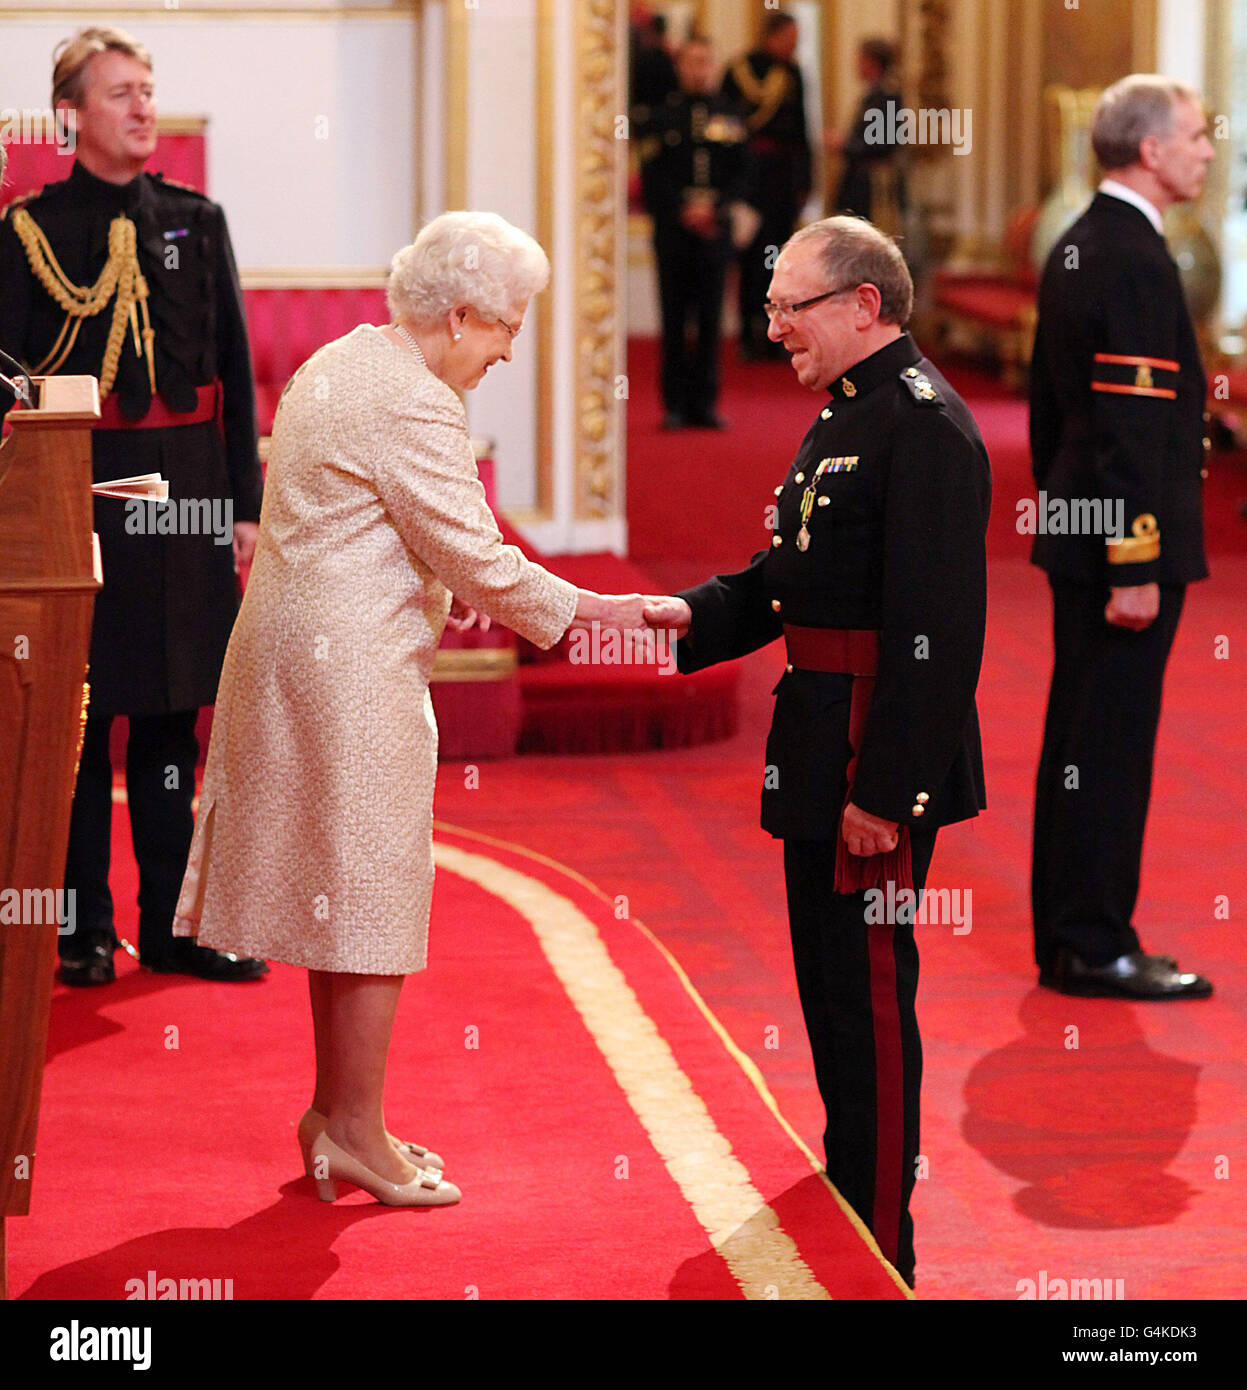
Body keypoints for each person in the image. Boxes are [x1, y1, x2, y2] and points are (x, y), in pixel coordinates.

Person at [171, 211, 649, 1207]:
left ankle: (335, 1117)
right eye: (507, 325)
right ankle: (355, 1130)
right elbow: (471, 556)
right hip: (350, 672)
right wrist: (603, 616)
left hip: (286, 651)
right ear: (461, 311)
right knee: (375, 894)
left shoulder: (342, 359)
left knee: (334, 894)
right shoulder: (413, 402)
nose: (509, 348)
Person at [644, 217, 990, 1286]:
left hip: (867, 753)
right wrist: (684, 614)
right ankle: (846, 1187)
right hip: (817, 735)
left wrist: (884, 791)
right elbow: (785, 575)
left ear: (863, 306)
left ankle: (880, 1235)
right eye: (769, 305)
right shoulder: (845, 414)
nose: (770, 325)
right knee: (828, 985)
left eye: (788, 306)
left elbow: (936, 637)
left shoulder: (922, 426)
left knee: (870, 997)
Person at [0, 26, 267, 985]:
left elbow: (232, 367)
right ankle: (79, 932)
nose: (144, 107)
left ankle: (170, 924)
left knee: (170, 715)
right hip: (82, 489)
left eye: (148, 90)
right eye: (122, 93)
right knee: (80, 718)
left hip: (188, 489)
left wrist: (244, 503)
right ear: (71, 115)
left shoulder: (198, 218)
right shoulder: (27, 230)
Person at [1029, 75, 1215, 1000]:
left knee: (1079, 741)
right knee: (1105, 747)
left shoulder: (1079, 242)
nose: (1207, 152)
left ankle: (1069, 937)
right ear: (1149, 149)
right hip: (1119, 551)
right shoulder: (1134, 256)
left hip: (1081, 531)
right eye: (1194, 136)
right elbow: (1128, 431)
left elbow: (1048, 418)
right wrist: (1133, 561)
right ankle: (1094, 943)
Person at [636, 34, 753, 430]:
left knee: (709, 320)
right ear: (680, 66)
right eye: (691, 62)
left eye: (705, 61)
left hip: (714, 234)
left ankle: (704, 403)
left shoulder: (731, 112)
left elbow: (742, 172)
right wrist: (684, 209)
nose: (698, 69)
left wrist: (715, 210)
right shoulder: (661, 115)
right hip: (673, 231)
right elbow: (651, 175)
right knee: (673, 320)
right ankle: (674, 404)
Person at [721, 10, 812, 360]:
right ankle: (747, 331)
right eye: (790, 38)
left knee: (780, 259)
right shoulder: (738, 70)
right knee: (747, 257)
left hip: (782, 178)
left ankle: (776, 334)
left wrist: (806, 180)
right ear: (772, 36)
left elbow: (802, 129)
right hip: (747, 178)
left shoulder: (793, 73)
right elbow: (725, 129)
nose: (794, 46)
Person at [831, 38, 907, 226]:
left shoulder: (888, 97)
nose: (855, 65)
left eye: (860, 59)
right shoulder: (871, 97)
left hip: (874, 185)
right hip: (858, 181)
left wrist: (845, 144)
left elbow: (883, 143)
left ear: (872, 62)